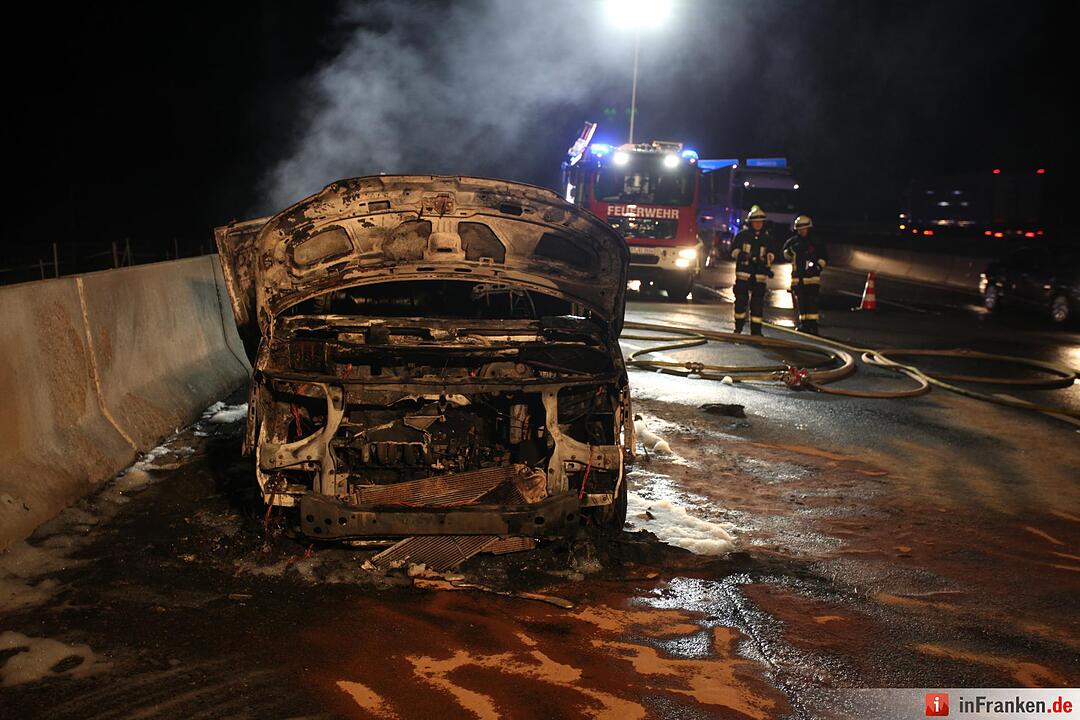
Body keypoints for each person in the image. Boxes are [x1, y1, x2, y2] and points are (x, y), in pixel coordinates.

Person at [729, 205, 774, 335]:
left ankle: (756, 331)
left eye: (760, 222)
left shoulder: (767, 238)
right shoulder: (742, 236)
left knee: (757, 304)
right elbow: (732, 251)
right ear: (750, 222)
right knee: (741, 301)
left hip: (759, 276)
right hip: (744, 274)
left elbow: (773, 254)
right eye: (755, 222)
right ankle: (738, 328)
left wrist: (766, 260)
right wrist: (742, 255)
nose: (758, 224)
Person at [783, 215, 828, 334]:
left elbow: (824, 257)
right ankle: (804, 324)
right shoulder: (792, 242)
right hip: (798, 278)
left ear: (809, 228)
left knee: (812, 302)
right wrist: (793, 250)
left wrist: (817, 267)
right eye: (799, 229)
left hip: (812, 278)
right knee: (801, 303)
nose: (802, 231)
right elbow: (785, 255)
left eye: (804, 228)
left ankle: (813, 326)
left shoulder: (816, 242)